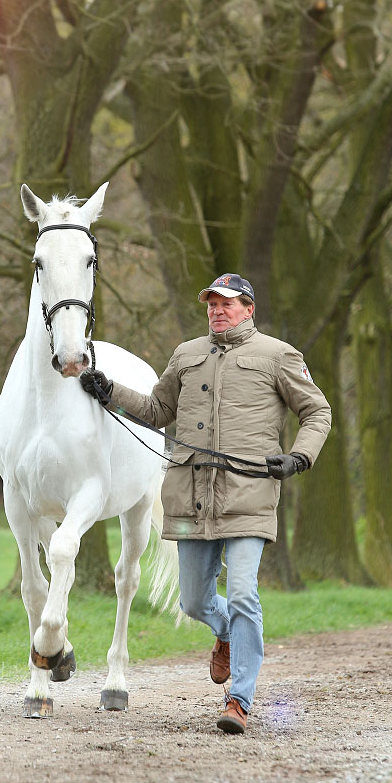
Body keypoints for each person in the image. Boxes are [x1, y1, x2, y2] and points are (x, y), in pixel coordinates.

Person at [80, 273, 331, 735]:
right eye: (212, 303)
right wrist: (109, 390)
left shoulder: (278, 356)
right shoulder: (187, 355)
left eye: (227, 303)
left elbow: (317, 410)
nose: (217, 310)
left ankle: (239, 698)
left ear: (249, 308)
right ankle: (226, 635)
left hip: (249, 494)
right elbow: (157, 412)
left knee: (242, 594)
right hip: (191, 495)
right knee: (194, 600)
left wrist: (298, 456)